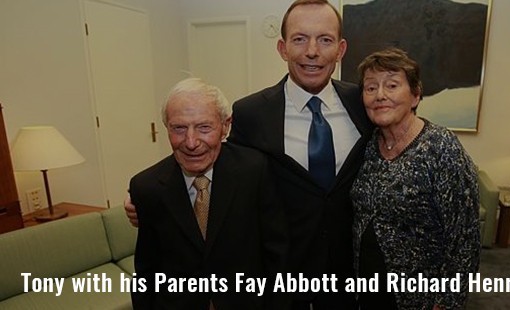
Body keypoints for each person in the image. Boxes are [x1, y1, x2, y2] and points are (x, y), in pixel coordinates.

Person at [125, 1, 371, 308]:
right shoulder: (250, 113)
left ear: (341, 49)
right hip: (279, 275)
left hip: (352, 270)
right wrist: (148, 196)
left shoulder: (364, 105)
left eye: (325, 39)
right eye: (299, 39)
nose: (312, 51)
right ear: (282, 48)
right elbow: (211, 158)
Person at [129, 78, 288, 309]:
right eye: (179, 128)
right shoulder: (146, 187)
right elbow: (147, 270)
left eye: (204, 127)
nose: (191, 142)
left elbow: (276, 251)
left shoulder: (254, 170)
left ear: (225, 126)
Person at [351, 48, 480, 310]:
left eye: (392, 85)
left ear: (416, 94)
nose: (380, 95)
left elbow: (464, 238)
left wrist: (446, 302)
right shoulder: (365, 146)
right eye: (371, 87)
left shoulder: (441, 147)